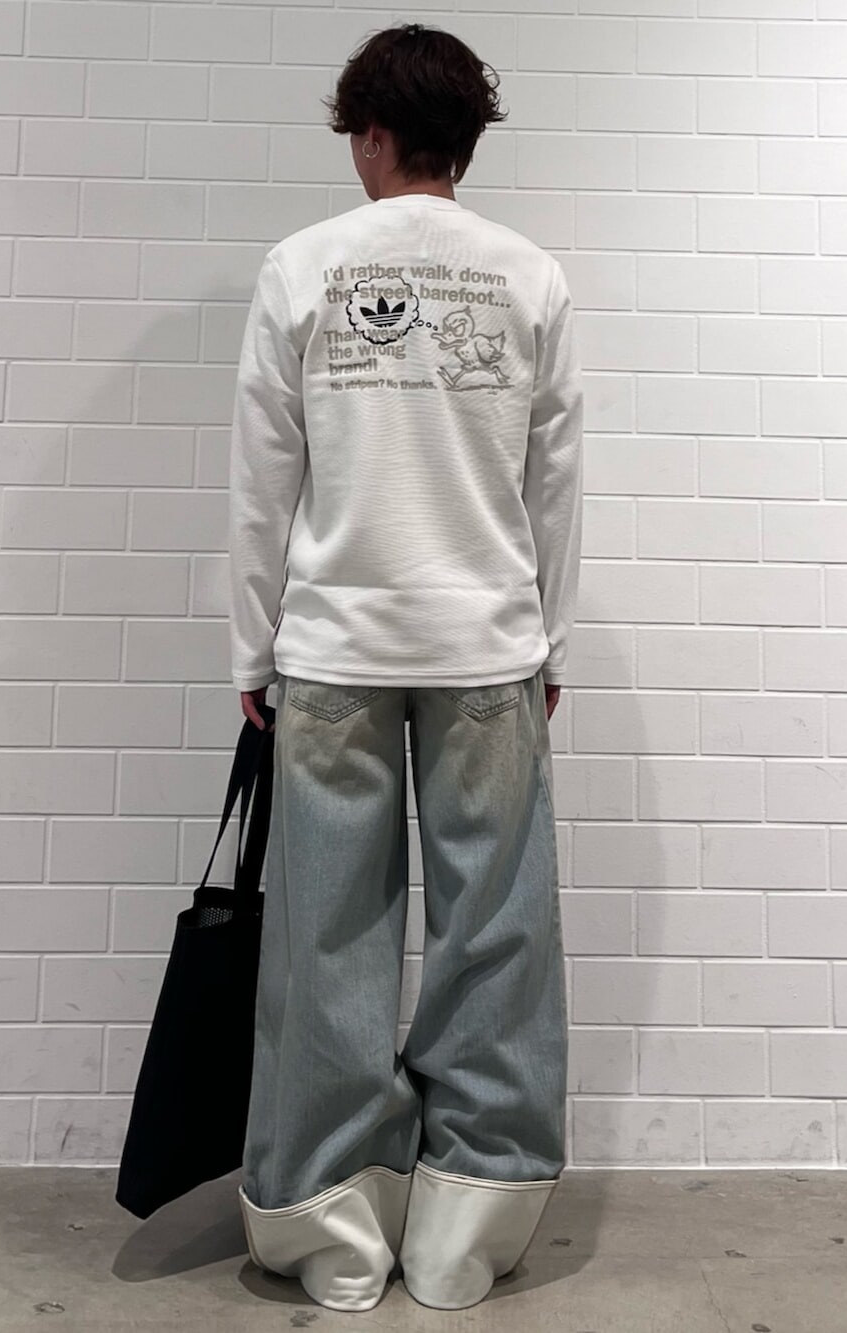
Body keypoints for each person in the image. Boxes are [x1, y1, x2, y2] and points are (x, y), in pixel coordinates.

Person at [227, 21, 584, 1315]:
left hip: (336, 648)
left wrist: (251, 643)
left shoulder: (303, 268)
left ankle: (333, 1236)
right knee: (496, 938)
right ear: (464, 142)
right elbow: (556, 485)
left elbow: (263, 482)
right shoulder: (531, 277)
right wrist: (552, 641)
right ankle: (462, 1238)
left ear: (373, 135)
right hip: (487, 645)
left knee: (327, 940)